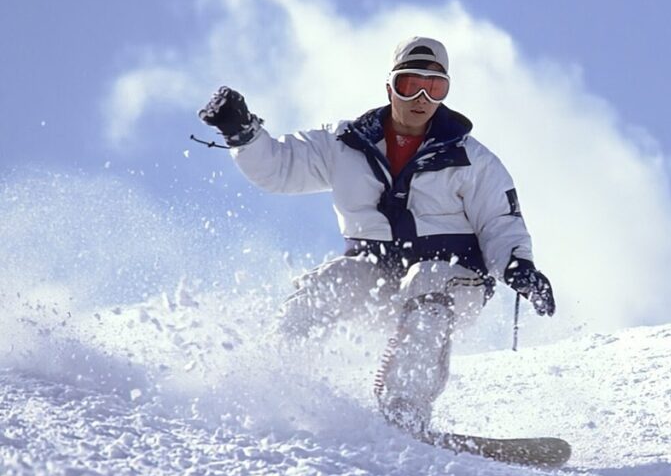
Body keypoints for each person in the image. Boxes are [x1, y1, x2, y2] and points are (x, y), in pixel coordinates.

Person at [198, 36, 555, 433]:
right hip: (380, 280)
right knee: (329, 282)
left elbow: (500, 222)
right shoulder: (346, 144)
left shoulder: (471, 160)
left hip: (454, 284)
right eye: (410, 84)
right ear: (390, 88)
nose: (421, 98)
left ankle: (405, 409)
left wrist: (518, 266)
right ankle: (269, 384)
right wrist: (243, 133)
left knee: (428, 281)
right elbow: (278, 167)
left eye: (435, 88)